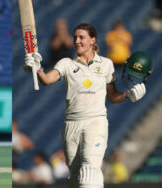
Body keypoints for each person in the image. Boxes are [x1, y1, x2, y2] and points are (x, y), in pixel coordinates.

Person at [24, 23, 148, 188]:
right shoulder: (66, 63)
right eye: (75, 37)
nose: (77, 41)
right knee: (76, 175)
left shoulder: (106, 64)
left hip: (95, 121)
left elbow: (112, 96)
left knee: (90, 166)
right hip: (71, 124)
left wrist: (127, 94)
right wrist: (36, 68)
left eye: (81, 37)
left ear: (92, 40)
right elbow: (47, 79)